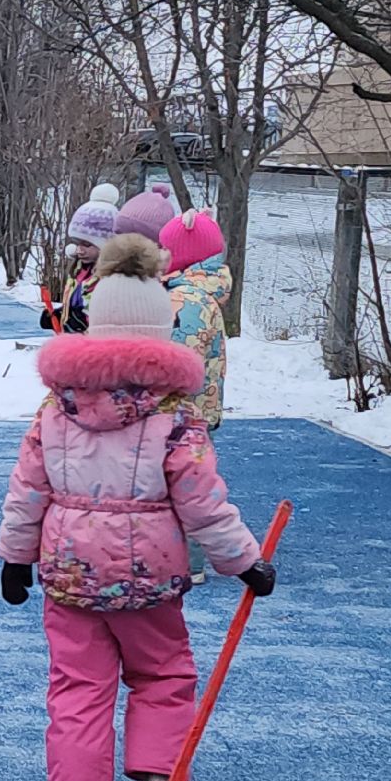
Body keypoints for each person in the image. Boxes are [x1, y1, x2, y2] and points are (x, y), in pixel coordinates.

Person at [0, 233, 275, 781]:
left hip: (69, 574)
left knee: (77, 686)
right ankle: (157, 776)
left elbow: (27, 491)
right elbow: (202, 503)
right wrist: (244, 562)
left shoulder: (53, 410)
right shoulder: (174, 417)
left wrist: (16, 557)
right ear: (161, 332)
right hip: (146, 575)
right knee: (163, 674)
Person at [159, 207, 233, 584]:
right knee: (191, 481)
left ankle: (187, 562)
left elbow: (176, 361)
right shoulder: (201, 294)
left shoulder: (184, 302)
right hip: (197, 408)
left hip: (181, 411)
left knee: (182, 486)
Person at [41, 183, 120, 334]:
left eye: (87, 244)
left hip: (95, 348)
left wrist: (83, 322)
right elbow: (77, 301)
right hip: (72, 345)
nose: (79, 250)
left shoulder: (112, 277)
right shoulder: (79, 270)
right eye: (77, 243)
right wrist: (60, 315)